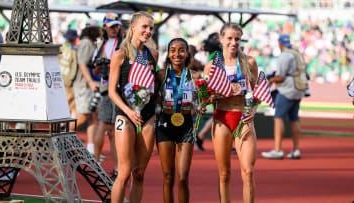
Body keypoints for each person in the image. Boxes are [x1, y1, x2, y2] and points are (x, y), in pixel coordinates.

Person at [203, 23, 258, 203]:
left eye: (237, 39)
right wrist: (211, 97)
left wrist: (253, 111)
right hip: (222, 118)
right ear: (221, 39)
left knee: (248, 172)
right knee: (224, 174)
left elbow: (257, 93)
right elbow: (205, 98)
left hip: (243, 118)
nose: (233, 42)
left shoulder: (249, 62)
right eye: (229, 39)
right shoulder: (212, 66)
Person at [108, 11, 158, 203]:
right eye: (144, 27)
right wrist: (129, 111)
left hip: (148, 117)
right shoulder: (120, 55)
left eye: (151, 28)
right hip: (125, 115)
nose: (148, 31)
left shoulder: (153, 54)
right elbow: (112, 91)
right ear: (133, 26)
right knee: (124, 172)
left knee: (139, 173)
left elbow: (155, 87)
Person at [156, 38, 200, 203]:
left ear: (187, 53)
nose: (177, 54)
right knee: (167, 176)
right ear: (168, 53)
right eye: (173, 50)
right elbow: (151, 97)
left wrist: (203, 104)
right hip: (165, 125)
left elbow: (203, 99)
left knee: (182, 178)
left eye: (181, 50)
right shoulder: (161, 75)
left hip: (186, 126)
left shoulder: (195, 76)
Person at [261, 34, 306, 159]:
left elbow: (280, 77)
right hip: (299, 88)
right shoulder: (297, 53)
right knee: (294, 119)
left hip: (288, 89)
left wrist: (270, 81)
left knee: (278, 117)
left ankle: (278, 150)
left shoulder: (284, 55)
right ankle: (296, 150)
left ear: (280, 44)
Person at [92, 13, 122, 174]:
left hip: (119, 89)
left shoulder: (123, 43)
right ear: (105, 27)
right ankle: (96, 162)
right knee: (104, 125)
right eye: (111, 26)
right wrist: (101, 64)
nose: (114, 29)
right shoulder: (99, 44)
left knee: (114, 130)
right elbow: (95, 70)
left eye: (116, 26)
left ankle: (117, 168)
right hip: (105, 89)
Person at [73, 19, 101, 155]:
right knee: (83, 116)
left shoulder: (89, 43)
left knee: (94, 116)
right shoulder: (86, 43)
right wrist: (90, 82)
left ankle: (91, 148)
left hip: (88, 85)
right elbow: (82, 64)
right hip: (83, 85)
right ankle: (61, 134)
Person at [58, 29, 78, 131]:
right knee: (73, 107)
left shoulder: (61, 48)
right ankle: (67, 129)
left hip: (59, 79)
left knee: (62, 104)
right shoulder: (74, 50)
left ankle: (62, 126)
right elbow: (74, 68)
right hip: (68, 81)